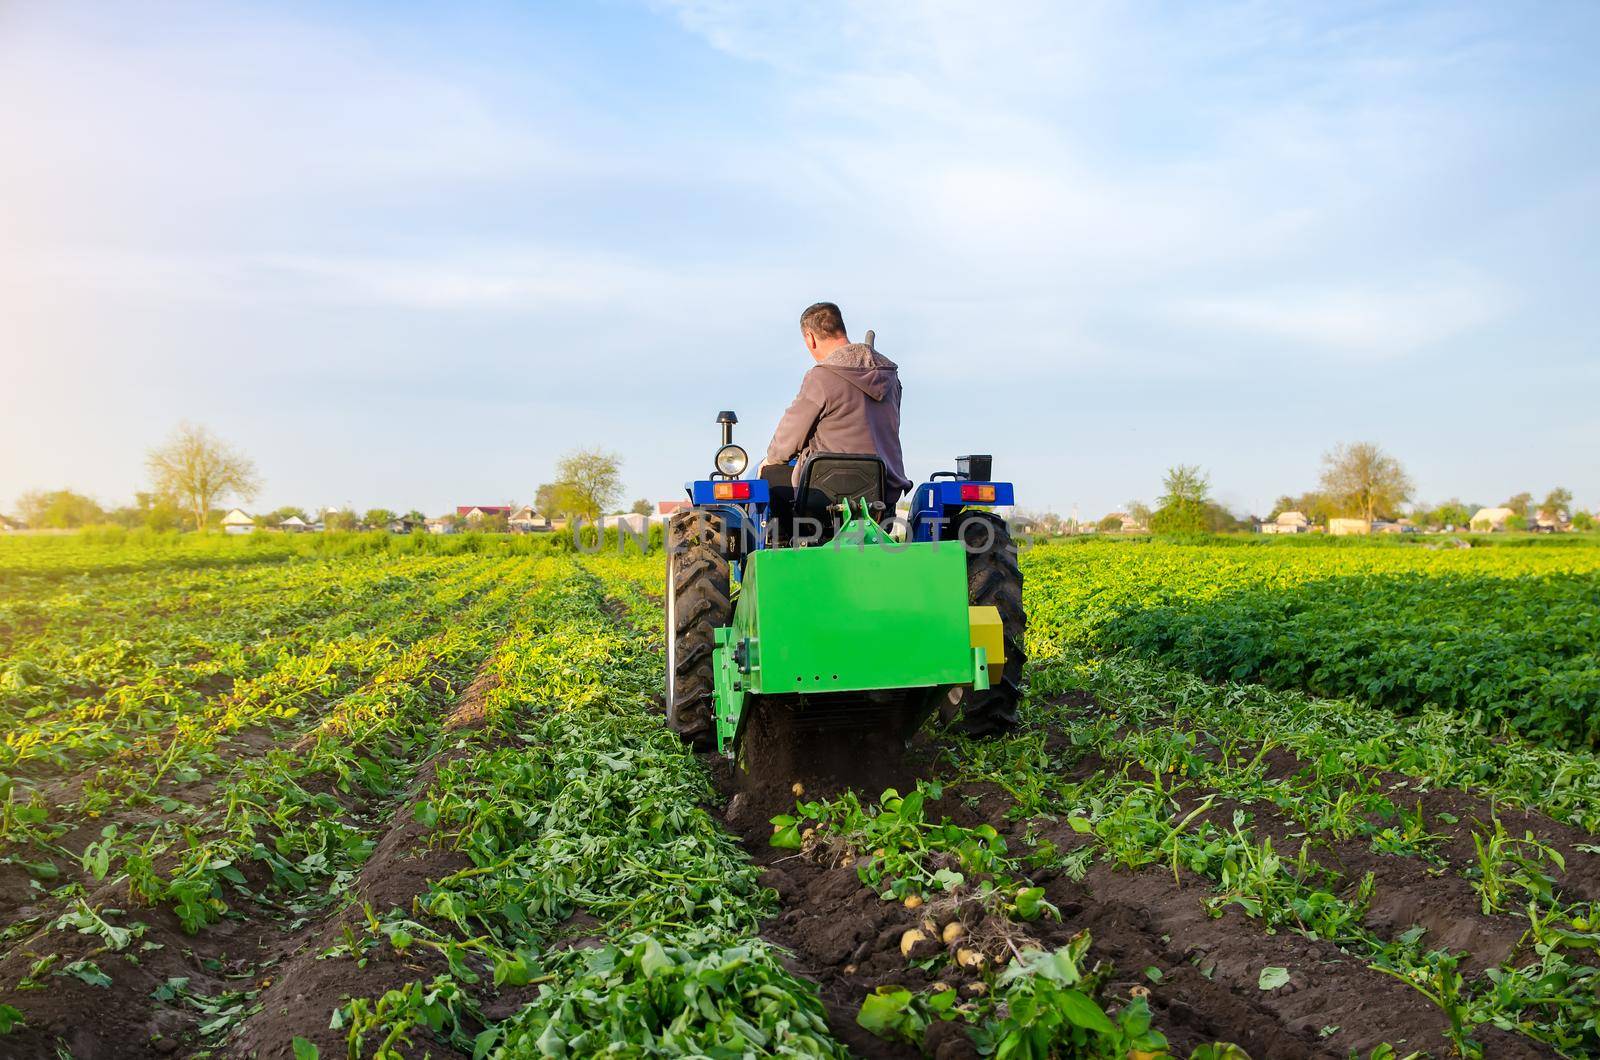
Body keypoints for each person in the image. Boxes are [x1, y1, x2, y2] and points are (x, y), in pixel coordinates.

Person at [761, 302, 912, 519]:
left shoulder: (821, 377)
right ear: (841, 329)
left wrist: (772, 458)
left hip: (827, 494)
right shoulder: (890, 378)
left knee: (769, 474)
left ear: (810, 338)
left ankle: (787, 542)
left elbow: (787, 440)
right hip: (884, 490)